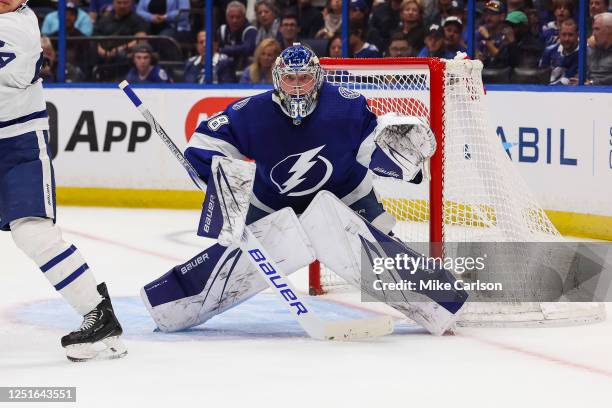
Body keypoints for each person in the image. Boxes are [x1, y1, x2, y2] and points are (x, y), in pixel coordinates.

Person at [140, 43, 466, 336]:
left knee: (382, 252)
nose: (297, 87)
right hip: (272, 204)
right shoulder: (251, 113)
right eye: (290, 79)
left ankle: (436, 300)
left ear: (318, 78)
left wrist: (402, 159)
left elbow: (372, 148)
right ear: (276, 80)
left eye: (304, 79)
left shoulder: (346, 106)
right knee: (235, 257)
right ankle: (175, 302)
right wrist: (214, 172)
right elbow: (205, 143)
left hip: (348, 195)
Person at [0, 0, 125, 361]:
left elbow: (16, 77)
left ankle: (98, 314)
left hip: (19, 145)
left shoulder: (19, 27)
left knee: (32, 232)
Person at [216, 1, 257, 82]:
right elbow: (217, 51)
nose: (234, 20)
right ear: (226, 17)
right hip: (226, 68)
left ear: (244, 17)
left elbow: (247, 49)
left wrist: (226, 49)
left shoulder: (250, 30)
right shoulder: (222, 30)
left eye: (238, 17)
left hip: (246, 69)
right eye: (231, 17)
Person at [539, 19, 579, 85]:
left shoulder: (583, 53)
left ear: (577, 35)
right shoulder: (549, 51)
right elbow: (541, 77)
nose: (567, 39)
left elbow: (567, 80)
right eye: (564, 34)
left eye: (570, 35)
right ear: (559, 34)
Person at [475, 0, 507, 67]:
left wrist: (487, 38)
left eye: (492, 14)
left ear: (502, 16)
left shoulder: (506, 35)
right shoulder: (479, 33)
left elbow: (501, 59)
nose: (488, 18)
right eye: (486, 14)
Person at [587, 12, 612, 85]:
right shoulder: (591, 50)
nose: (593, 34)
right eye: (593, 29)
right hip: (588, 90)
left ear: (609, 29)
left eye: (597, 29)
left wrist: (593, 83)